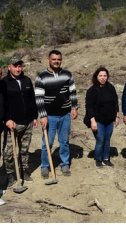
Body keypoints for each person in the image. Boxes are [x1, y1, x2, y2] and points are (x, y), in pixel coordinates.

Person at [35, 50, 78, 178]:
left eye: (58, 59)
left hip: (65, 114)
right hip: (50, 116)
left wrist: (74, 108)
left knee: (64, 141)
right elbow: (39, 98)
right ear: (49, 59)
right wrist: (43, 116)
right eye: (54, 59)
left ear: (61, 60)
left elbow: (73, 92)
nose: (56, 61)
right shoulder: (41, 77)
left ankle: (64, 164)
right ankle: (45, 166)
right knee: (47, 142)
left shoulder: (67, 74)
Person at [2, 56, 38, 187]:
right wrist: (7, 119)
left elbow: (32, 100)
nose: (18, 68)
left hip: (27, 121)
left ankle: (23, 171)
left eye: (20, 66)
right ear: (9, 67)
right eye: (15, 66)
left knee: (24, 150)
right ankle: (10, 174)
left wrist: (34, 116)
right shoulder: (4, 83)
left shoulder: (27, 80)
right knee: (8, 152)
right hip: (12, 123)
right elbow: (2, 104)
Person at [84, 66, 120, 168]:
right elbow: (89, 107)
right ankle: (98, 159)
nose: (103, 78)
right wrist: (92, 121)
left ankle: (106, 159)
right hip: (97, 120)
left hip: (109, 120)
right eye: (100, 76)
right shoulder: (92, 90)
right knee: (100, 139)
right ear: (96, 77)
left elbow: (115, 102)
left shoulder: (111, 88)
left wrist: (117, 116)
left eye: (105, 76)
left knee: (107, 139)